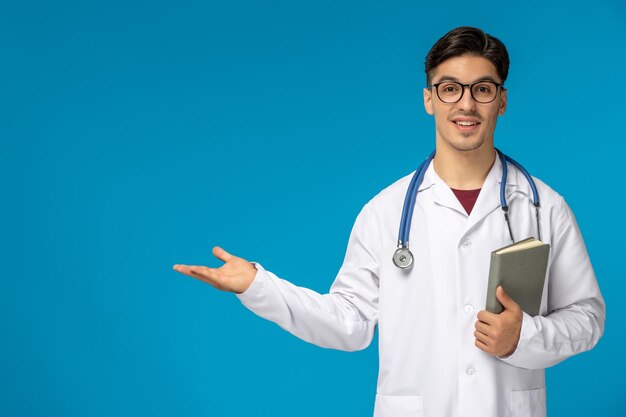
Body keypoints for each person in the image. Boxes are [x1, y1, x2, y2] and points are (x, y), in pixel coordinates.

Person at [173, 26, 605, 417]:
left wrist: (524, 337)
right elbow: (349, 322)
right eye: (450, 88)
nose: (467, 104)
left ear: (502, 100)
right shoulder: (386, 211)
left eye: (483, 89)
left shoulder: (544, 207)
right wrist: (258, 285)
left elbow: (587, 317)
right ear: (429, 99)